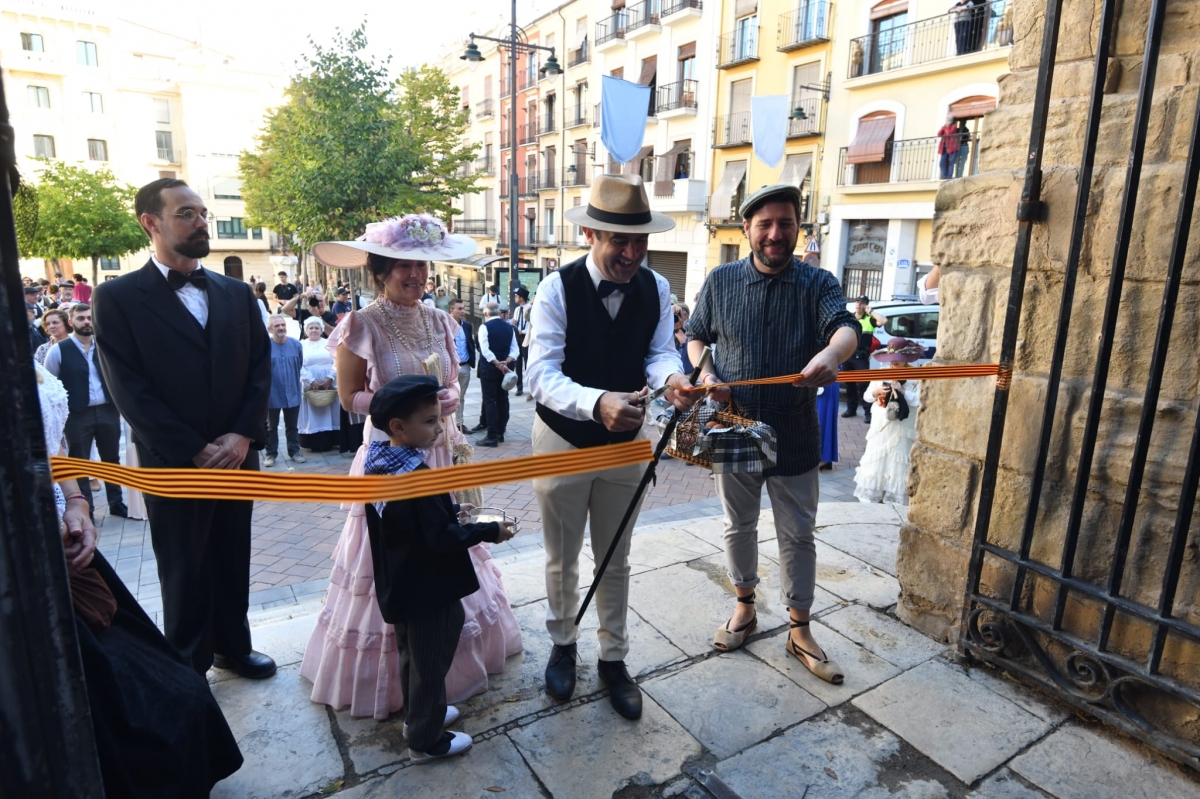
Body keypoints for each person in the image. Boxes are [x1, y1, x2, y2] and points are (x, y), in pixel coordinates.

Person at [301, 213, 521, 720]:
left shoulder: (442, 320)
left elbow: (455, 380)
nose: (416, 276)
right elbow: (348, 396)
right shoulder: (360, 324)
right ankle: (407, 688)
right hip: (391, 461)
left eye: (422, 266)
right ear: (380, 270)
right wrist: (400, 406)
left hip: (442, 453)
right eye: (404, 266)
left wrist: (448, 400)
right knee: (398, 560)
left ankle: (443, 668)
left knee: (446, 552)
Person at [92, 177, 276, 680]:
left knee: (233, 554)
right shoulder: (118, 298)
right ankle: (188, 665)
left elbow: (260, 368)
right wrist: (193, 449)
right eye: (186, 214)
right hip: (173, 463)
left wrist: (242, 436)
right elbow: (128, 389)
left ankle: (233, 647)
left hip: (238, 456)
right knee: (183, 565)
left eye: (202, 213)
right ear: (150, 223)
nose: (201, 222)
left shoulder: (236, 292)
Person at [34, 360, 244, 797]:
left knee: (170, 688)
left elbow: (50, 448)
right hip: (28, 566)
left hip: (69, 545)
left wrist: (76, 504)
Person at [530, 174, 695, 720]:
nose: (631, 253)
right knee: (561, 556)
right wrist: (597, 402)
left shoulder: (656, 287)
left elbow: (658, 354)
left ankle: (613, 658)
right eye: (618, 241)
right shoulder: (555, 288)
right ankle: (563, 643)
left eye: (639, 241)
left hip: (627, 447)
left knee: (616, 557)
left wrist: (673, 378)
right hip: (562, 440)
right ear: (589, 235)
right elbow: (540, 376)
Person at [686, 183, 858, 684]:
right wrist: (707, 373)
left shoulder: (817, 282)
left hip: (795, 433)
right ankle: (744, 607)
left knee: (798, 535)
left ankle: (799, 628)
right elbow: (696, 334)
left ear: (797, 227)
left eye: (785, 223)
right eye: (765, 224)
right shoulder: (720, 281)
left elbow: (845, 328)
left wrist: (832, 355)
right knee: (736, 526)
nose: (775, 234)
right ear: (747, 230)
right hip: (735, 428)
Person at [362, 375, 516, 763]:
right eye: (430, 421)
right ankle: (426, 740)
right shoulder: (416, 477)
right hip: (430, 590)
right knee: (431, 660)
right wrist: (489, 530)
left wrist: (448, 510)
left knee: (412, 655)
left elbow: (409, 524)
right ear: (398, 426)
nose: (438, 428)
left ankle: (418, 715)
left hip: (401, 584)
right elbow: (441, 538)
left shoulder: (380, 464)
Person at [44, 303, 128, 518]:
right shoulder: (58, 350)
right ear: (71, 322)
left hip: (108, 411)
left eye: (89, 318)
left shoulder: (104, 346)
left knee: (112, 460)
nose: (87, 322)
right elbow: (49, 383)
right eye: (81, 318)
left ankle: (117, 504)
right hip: (77, 415)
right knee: (80, 463)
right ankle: (86, 510)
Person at [853, 338, 924, 504]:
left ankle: (895, 498)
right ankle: (872, 495)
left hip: (903, 426)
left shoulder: (917, 376)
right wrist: (876, 391)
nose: (894, 362)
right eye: (892, 358)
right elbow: (866, 397)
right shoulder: (881, 372)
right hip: (881, 425)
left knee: (898, 459)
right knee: (877, 458)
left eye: (899, 358)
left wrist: (903, 392)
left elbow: (920, 401)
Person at [264, 314, 306, 467]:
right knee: (271, 426)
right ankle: (271, 454)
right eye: (277, 326)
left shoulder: (296, 345)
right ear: (270, 329)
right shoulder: (264, 347)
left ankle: (294, 451)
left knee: (293, 425)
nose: (281, 328)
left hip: (293, 391)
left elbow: (299, 364)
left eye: (282, 325)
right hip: (271, 394)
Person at [476, 301, 517, 447]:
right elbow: (515, 350)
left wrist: (496, 363)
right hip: (505, 368)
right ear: (499, 312)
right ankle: (500, 432)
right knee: (503, 399)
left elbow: (485, 350)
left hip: (490, 368)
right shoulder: (509, 327)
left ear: (486, 313)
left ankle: (492, 435)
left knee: (489, 400)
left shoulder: (484, 327)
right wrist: (505, 362)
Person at [299, 316, 341, 452]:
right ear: (306, 330)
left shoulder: (328, 343)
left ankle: (332, 439)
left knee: (331, 410)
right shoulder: (301, 345)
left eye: (317, 328)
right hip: (310, 384)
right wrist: (311, 380)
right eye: (311, 328)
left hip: (330, 382)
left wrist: (330, 378)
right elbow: (299, 364)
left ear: (321, 330)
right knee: (314, 412)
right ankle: (315, 442)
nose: (314, 330)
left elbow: (337, 361)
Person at [842, 296, 886, 422]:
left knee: (864, 385)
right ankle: (851, 409)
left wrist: (870, 311)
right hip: (847, 355)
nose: (858, 304)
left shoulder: (869, 319)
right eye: (857, 302)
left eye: (862, 303)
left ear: (866, 305)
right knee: (849, 384)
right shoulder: (849, 317)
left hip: (861, 357)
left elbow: (883, 321)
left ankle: (868, 412)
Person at [449, 298, 477, 434]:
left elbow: (470, 343)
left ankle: (459, 424)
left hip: (465, 366)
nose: (462, 311)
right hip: (450, 367)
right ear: (451, 310)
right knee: (448, 396)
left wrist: (472, 360)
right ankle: (448, 426)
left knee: (461, 397)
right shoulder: (445, 325)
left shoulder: (467, 325)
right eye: (459, 308)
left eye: (463, 308)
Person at [510, 286, 531, 396]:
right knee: (517, 363)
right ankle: (519, 387)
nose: (515, 298)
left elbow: (531, 324)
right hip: (517, 338)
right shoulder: (517, 310)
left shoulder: (530, 308)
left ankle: (531, 388)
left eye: (516, 296)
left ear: (521, 298)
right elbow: (515, 322)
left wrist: (523, 331)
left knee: (528, 363)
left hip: (526, 337)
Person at [937, 115, 960, 179]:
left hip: (952, 147)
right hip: (944, 147)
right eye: (946, 120)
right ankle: (945, 175)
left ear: (951, 121)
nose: (947, 122)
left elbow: (948, 133)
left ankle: (949, 176)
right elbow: (939, 134)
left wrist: (945, 128)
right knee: (942, 163)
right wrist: (943, 127)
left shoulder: (954, 126)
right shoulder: (945, 127)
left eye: (948, 120)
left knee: (951, 163)